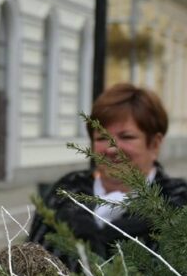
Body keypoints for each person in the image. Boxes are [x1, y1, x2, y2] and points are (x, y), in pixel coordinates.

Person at [29, 83, 187, 262]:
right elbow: (28, 265)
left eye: (127, 137)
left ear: (155, 144)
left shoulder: (179, 204)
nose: (112, 149)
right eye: (102, 138)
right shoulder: (65, 194)